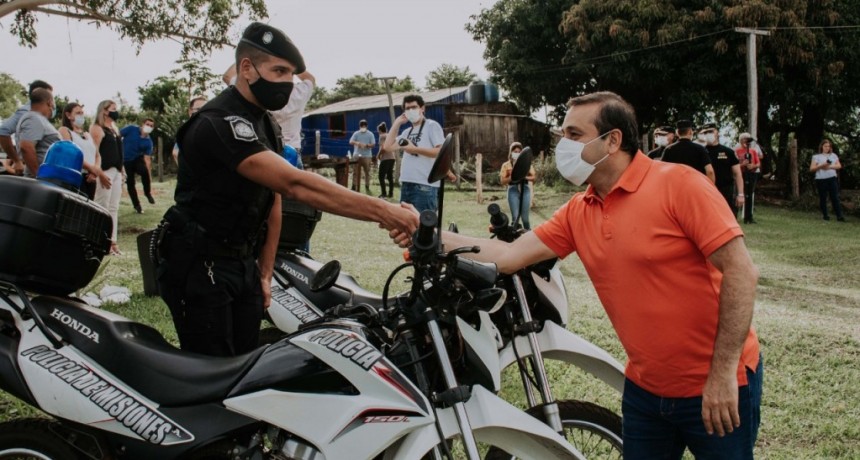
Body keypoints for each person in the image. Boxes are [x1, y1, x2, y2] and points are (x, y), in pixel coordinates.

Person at [398, 91, 762, 459]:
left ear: (612, 140)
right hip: (645, 390)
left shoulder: (679, 184)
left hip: (717, 385)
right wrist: (428, 234)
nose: (563, 145)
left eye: (574, 135)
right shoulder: (580, 209)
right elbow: (508, 255)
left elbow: (741, 273)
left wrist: (722, 375)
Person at [157, 22, 417, 358]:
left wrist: (264, 274)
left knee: (245, 365)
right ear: (247, 69)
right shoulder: (217, 121)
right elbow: (293, 183)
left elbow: (272, 199)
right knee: (212, 371)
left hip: (243, 263)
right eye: (279, 70)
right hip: (199, 264)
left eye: (292, 74)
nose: (287, 83)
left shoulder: (265, 123)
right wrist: (384, 211)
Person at [224, 63, 316, 155]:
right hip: (292, 151)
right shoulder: (300, 93)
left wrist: (247, 56)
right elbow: (310, 78)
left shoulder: (254, 92)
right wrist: (289, 62)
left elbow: (228, 76)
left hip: (261, 150)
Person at [381, 94, 446, 212]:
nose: (411, 110)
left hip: (424, 186)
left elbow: (440, 152)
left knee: (422, 227)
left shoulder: (431, 125)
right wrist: (397, 123)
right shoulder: (407, 132)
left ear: (422, 108)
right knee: (406, 227)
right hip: (406, 184)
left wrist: (414, 149)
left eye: (414, 107)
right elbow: (387, 147)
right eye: (407, 108)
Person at [91, 100, 125, 256]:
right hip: (104, 171)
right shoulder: (97, 128)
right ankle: (99, 241)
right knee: (102, 205)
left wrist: (122, 170)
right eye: (113, 109)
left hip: (116, 171)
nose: (115, 111)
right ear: (104, 111)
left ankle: (112, 241)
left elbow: (119, 151)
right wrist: (98, 173)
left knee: (113, 207)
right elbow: (94, 152)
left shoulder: (114, 128)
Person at [58, 102, 111, 199]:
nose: (81, 115)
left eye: (82, 113)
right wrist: (91, 168)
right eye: (78, 113)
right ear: (68, 115)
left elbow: (97, 155)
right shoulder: (65, 130)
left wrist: (95, 170)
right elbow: (71, 153)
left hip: (91, 177)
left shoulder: (87, 134)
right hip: (76, 176)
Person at [0, 79, 53, 175]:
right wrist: (16, 160)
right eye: (48, 95)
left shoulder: (40, 115)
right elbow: (3, 131)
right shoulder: (27, 111)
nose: (52, 101)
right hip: (31, 173)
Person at [16, 88, 60, 177]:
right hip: (39, 181)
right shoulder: (34, 118)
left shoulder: (39, 120)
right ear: (50, 102)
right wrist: (39, 175)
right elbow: (26, 146)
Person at [704, 125, 744, 216]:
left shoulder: (728, 152)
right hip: (706, 190)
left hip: (726, 190)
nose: (708, 134)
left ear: (717, 133)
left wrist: (740, 194)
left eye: (711, 131)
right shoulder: (700, 151)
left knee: (728, 216)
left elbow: (737, 174)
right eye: (705, 132)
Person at [121, 118, 156, 213]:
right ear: (142, 124)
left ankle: (147, 193)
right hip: (125, 160)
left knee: (144, 172)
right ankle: (137, 205)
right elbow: (118, 135)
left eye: (151, 126)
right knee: (131, 183)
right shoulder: (131, 129)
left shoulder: (148, 142)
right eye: (147, 124)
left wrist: (149, 175)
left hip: (137, 159)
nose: (149, 127)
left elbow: (147, 159)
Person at [499, 142, 536, 230]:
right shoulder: (506, 165)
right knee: (515, 217)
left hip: (524, 189)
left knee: (525, 218)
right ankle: (514, 237)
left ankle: (528, 234)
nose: (517, 153)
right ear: (511, 152)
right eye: (515, 151)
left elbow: (534, 177)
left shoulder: (527, 164)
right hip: (512, 189)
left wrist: (524, 176)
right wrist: (512, 177)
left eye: (519, 152)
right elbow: (502, 181)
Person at [810, 138, 845, 222]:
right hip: (821, 179)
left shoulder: (833, 155)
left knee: (835, 197)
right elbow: (812, 169)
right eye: (825, 146)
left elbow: (839, 166)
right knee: (823, 198)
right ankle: (825, 215)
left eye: (828, 146)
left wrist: (829, 166)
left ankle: (839, 216)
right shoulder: (816, 157)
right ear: (822, 147)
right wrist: (822, 166)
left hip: (832, 179)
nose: (827, 148)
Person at [734, 133, 762, 224]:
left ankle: (748, 217)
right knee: (738, 194)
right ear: (741, 140)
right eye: (744, 139)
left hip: (751, 174)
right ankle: (734, 216)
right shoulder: (737, 151)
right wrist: (743, 164)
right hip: (741, 174)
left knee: (749, 195)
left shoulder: (753, 151)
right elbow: (734, 165)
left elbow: (758, 163)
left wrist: (753, 166)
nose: (746, 141)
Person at [172, 96, 207, 164]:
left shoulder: (210, 129)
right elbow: (175, 153)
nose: (202, 112)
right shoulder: (185, 130)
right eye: (198, 109)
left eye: (205, 109)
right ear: (190, 111)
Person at [349, 119, 375, 193]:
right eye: (361, 126)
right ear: (359, 126)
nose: (363, 127)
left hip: (367, 156)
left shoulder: (370, 134)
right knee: (355, 171)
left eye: (364, 126)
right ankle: (354, 185)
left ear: (366, 126)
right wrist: (357, 143)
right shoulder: (356, 133)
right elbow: (350, 141)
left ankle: (367, 185)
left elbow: (373, 144)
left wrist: (366, 145)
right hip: (357, 155)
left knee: (367, 171)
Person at [377, 122, 395, 199]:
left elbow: (383, 148)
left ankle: (383, 193)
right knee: (390, 176)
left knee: (381, 176)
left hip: (386, 158)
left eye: (378, 130)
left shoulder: (382, 136)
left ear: (380, 130)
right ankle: (390, 193)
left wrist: (378, 155)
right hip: (392, 158)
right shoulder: (389, 135)